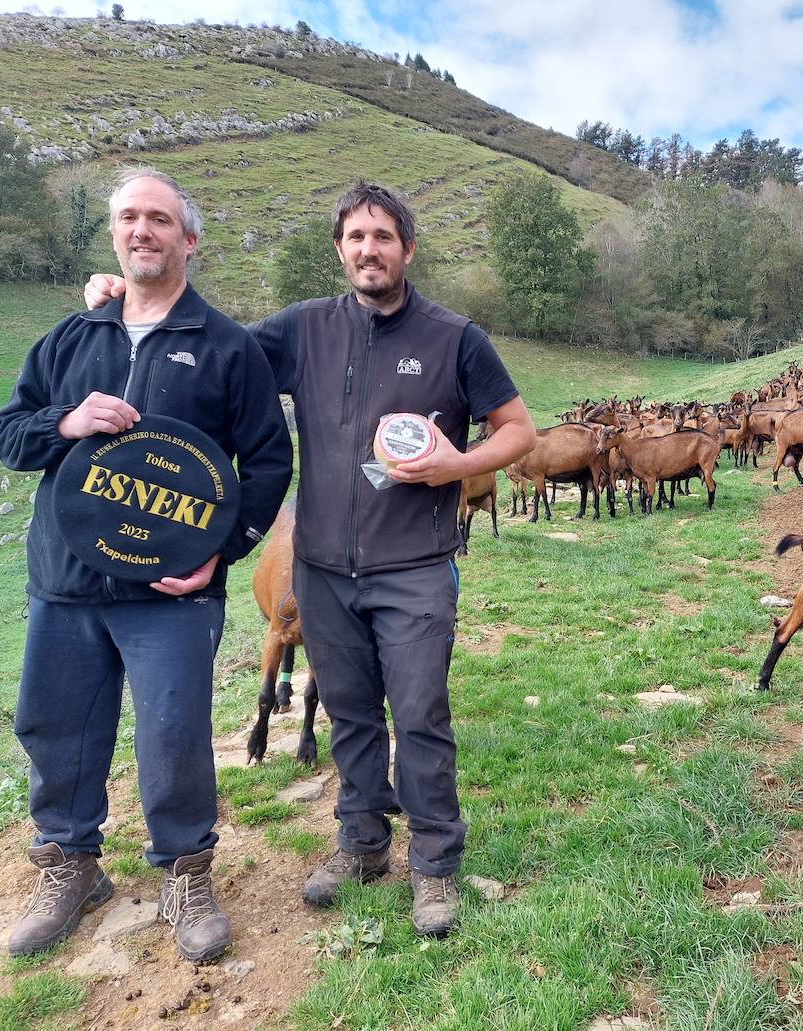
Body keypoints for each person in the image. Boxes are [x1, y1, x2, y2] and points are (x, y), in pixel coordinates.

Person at [87, 181, 536, 938]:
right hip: (322, 567)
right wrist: (128, 290)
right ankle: (362, 843)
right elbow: (213, 347)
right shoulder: (303, 329)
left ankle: (434, 865)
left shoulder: (456, 337)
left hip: (416, 564)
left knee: (420, 714)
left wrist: (458, 463)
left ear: (407, 249)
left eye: (384, 237)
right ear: (340, 249)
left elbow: (518, 429)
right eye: (356, 237)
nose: (370, 249)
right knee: (352, 714)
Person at [0, 168, 292, 962]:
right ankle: (69, 864)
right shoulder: (70, 337)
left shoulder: (226, 346)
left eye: (159, 219)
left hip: (172, 593)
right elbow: (8, 431)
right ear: (115, 234)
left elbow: (266, 461)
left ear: (187, 238)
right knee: (56, 725)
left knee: (173, 732)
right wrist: (64, 420)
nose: (142, 231)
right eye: (129, 217)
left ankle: (186, 870)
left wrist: (221, 553)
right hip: (65, 581)